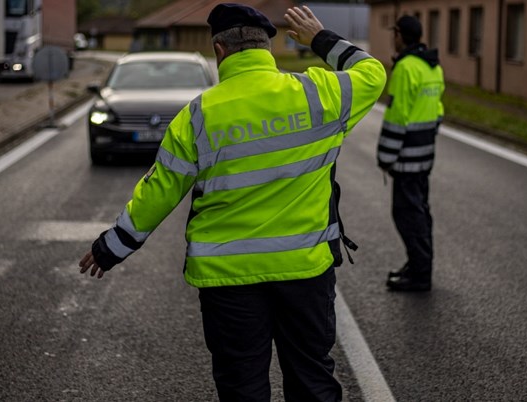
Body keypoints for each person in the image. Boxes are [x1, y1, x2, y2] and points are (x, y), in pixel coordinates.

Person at [79, 3, 385, 401]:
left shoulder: (197, 116)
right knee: (311, 378)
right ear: (267, 49)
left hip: (228, 279)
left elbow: (158, 193)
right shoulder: (319, 93)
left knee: (242, 386)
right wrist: (319, 39)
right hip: (304, 270)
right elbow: (373, 73)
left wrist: (111, 247)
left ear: (219, 52)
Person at [377, 15, 444, 292]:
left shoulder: (405, 68)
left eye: (395, 33)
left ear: (401, 35)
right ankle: (418, 265)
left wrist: (385, 157)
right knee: (420, 212)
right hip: (425, 155)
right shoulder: (432, 66)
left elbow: (397, 117)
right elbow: (437, 112)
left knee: (407, 215)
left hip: (406, 159)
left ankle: (419, 274)